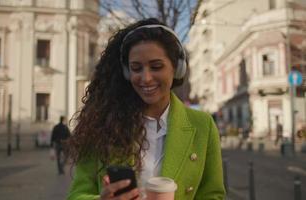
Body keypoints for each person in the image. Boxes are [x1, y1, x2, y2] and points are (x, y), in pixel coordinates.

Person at [66, 18, 225, 199]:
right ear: (127, 72)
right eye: (136, 68)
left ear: (177, 68)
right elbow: (76, 195)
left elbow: (213, 195)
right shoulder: (102, 125)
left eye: (156, 66)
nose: (146, 78)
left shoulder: (203, 125)